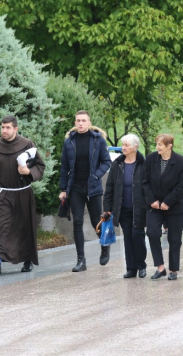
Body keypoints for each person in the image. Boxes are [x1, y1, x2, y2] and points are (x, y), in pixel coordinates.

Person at [0, 115, 45, 275]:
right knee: (1, 226)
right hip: (3, 193)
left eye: (8, 127)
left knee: (25, 228)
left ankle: (28, 260)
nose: (4, 130)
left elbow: (40, 166)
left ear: (15, 129)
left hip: (23, 193)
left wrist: (28, 172)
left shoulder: (27, 144)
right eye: (2, 127)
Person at [59, 110, 112, 272]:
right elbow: (64, 166)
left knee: (97, 221)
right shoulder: (69, 142)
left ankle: (105, 246)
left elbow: (106, 162)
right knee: (77, 222)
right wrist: (63, 189)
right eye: (78, 121)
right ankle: (81, 260)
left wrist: (96, 176)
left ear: (89, 123)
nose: (80, 123)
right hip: (75, 188)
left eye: (83, 120)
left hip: (93, 188)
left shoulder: (98, 140)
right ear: (75, 123)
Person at [143, 134, 183, 280]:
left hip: (175, 207)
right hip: (155, 206)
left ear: (169, 146)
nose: (157, 148)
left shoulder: (181, 162)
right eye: (157, 144)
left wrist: (167, 202)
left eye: (160, 145)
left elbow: (181, 186)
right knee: (152, 233)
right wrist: (152, 200)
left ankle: (173, 270)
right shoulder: (151, 159)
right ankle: (160, 267)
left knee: (174, 238)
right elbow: (145, 182)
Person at [103, 134, 147, 279]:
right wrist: (108, 208)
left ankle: (141, 266)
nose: (123, 148)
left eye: (127, 145)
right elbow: (110, 187)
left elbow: (149, 187)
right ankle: (131, 268)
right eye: (123, 145)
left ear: (135, 147)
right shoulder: (117, 164)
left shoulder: (143, 164)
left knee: (137, 236)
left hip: (139, 208)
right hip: (122, 208)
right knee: (128, 237)